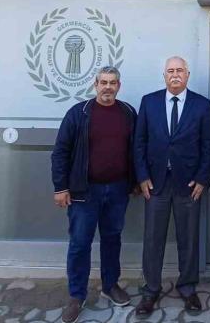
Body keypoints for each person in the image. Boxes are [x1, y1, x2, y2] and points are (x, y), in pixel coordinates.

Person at [51, 66, 137, 323]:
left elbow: (137, 149)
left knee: (112, 239)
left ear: (119, 86)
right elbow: (60, 151)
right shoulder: (79, 113)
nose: (107, 87)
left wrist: (134, 181)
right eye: (103, 82)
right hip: (84, 192)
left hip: (118, 190)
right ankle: (77, 296)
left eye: (112, 82)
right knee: (80, 243)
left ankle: (110, 285)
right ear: (95, 84)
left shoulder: (128, 112)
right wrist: (60, 187)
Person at [133, 56, 210, 315]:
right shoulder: (149, 102)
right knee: (152, 239)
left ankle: (188, 288)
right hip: (155, 183)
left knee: (188, 239)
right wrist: (142, 176)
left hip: (188, 184)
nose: (175, 74)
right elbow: (139, 142)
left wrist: (202, 179)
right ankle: (151, 290)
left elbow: (209, 145)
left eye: (180, 70)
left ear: (187, 75)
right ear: (164, 75)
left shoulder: (202, 105)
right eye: (170, 71)